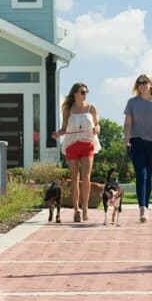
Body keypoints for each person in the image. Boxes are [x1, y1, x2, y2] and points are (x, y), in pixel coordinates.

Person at [52, 82, 100, 222]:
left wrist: (97, 128)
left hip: (87, 144)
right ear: (75, 93)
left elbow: (97, 125)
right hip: (72, 145)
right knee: (74, 177)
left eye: (86, 91)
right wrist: (58, 134)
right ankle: (76, 210)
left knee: (86, 176)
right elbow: (64, 128)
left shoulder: (91, 108)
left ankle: (85, 208)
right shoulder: (68, 109)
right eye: (82, 92)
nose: (84, 94)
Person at [123, 74, 152, 223]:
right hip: (136, 142)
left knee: (149, 176)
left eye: (144, 82)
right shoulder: (132, 102)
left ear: (150, 84)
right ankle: (142, 208)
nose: (141, 84)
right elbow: (128, 123)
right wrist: (127, 139)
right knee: (141, 174)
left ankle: (146, 207)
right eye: (139, 82)